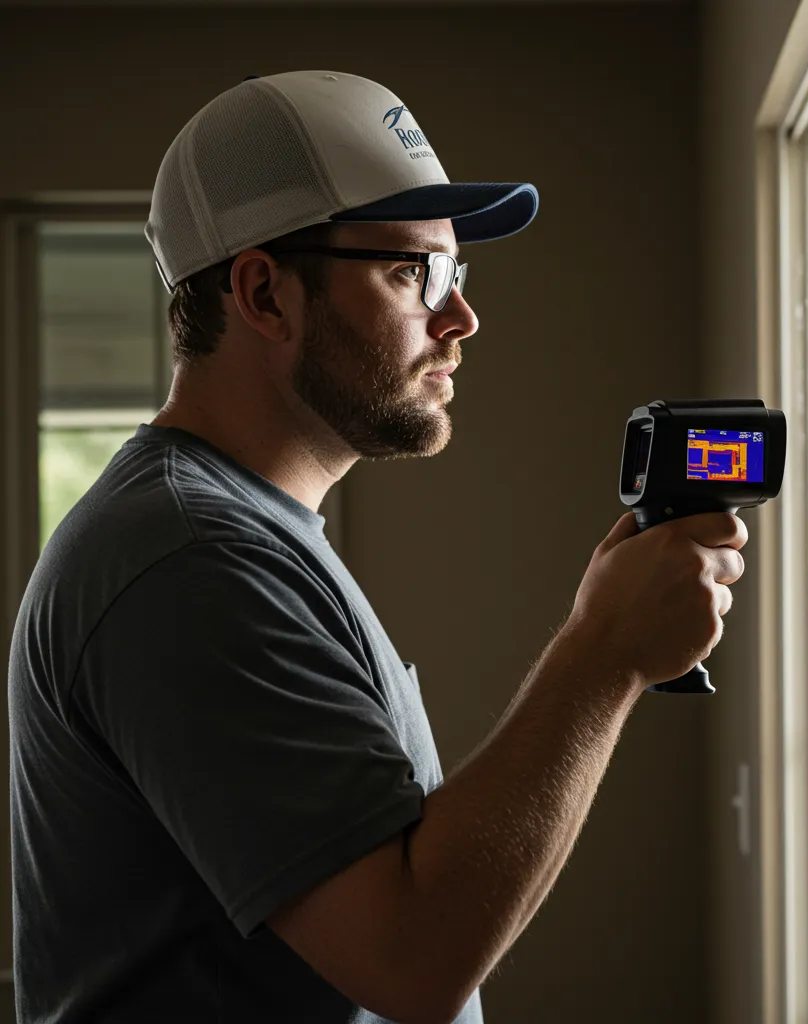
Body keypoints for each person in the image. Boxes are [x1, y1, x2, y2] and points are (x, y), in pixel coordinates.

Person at [7, 71, 746, 1024]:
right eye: (414, 272)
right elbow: (410, 959)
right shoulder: (191, 560)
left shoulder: (242, 532)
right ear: (265, 293)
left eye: (457, 272)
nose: (460, 317)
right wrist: (605, 654)